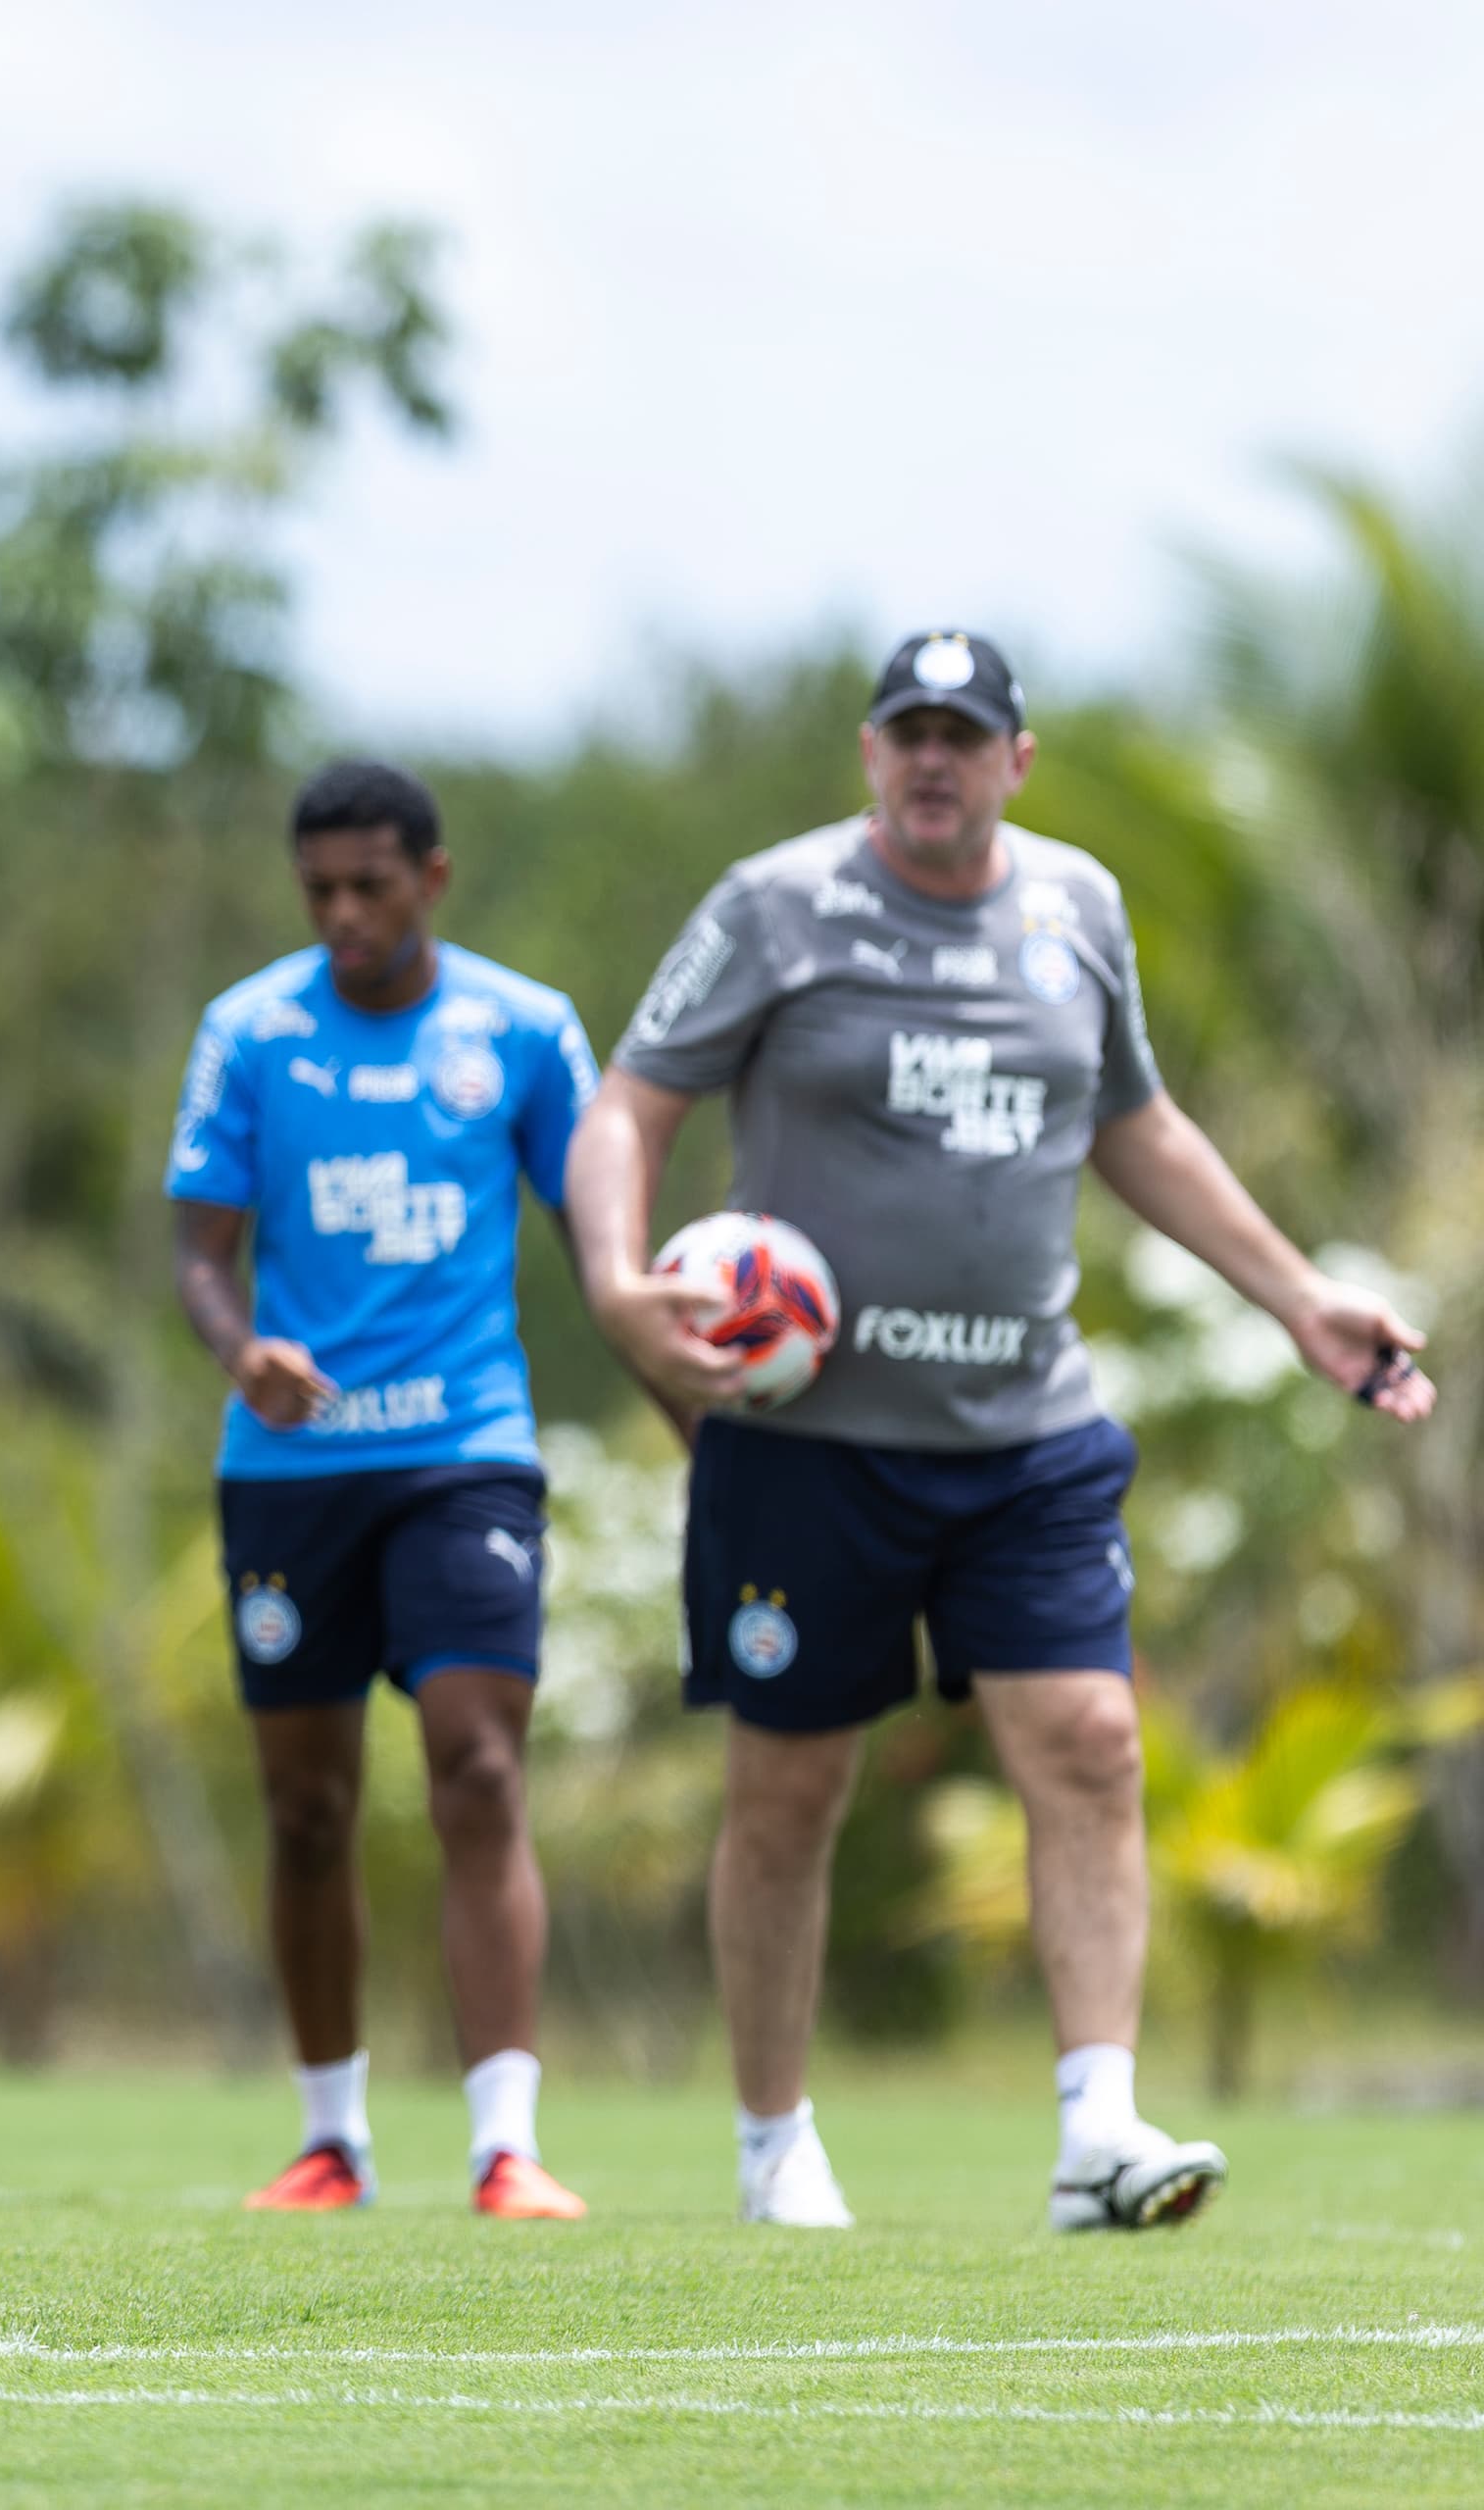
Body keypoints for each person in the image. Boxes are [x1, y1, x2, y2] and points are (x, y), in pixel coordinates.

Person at [568, 628, 1435, 2231]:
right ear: (868, 750)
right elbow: (631, 1102)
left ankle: (1098, 2131)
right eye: (908, 733)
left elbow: (1138, 1126)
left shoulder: (1079, 909)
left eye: (964, 736)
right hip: (810, 1445)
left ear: (1017, 762)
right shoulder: (775, 906)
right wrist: (622, 1287)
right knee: (790, 1790)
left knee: (1091, 1746)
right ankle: (775, 2147)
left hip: (1023, 1433)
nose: (933, 761)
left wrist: (1299, 1299)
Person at [168, 758, 601, 2221]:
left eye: (371, 885)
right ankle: (330, 2138)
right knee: (307, 1810)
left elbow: (601, 1234)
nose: (344, 914)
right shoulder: (248, 1033)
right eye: (320, 892)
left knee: (478, 1766)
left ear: (434, 876)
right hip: (290, 1470)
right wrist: (244, 1355)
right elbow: (196, 1256)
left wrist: (696, 1374)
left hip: (466, 1446)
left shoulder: (527, 1032)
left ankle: (506, 2145)